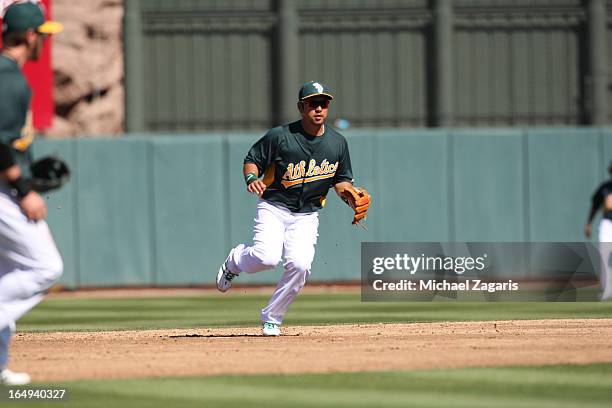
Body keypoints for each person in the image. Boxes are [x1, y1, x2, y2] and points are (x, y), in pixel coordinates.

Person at [216, 81, 367, 336]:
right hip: (274, 206)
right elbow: (252, 160)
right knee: (267, 257)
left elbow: (341, 181)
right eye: (312, 103)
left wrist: (349, 196)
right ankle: (235, 261)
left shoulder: (337, 143)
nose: (318, 108)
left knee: (300, 265)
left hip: (307, 215)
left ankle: (272, 317)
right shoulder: (280, 136)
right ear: (301, 107)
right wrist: (252, 179)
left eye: (324, 103)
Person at [0, 1, 63, 385]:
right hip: (4, 192)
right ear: (28, 36)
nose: (42, 41)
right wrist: (24, 188)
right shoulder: (9, 77)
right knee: (45, 266)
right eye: (41, 34)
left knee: (7, 271)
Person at [584, 161, 612, 301]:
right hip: (608, 224)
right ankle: (607, 290)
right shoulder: (605, 188)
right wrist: (588, 223)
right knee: (604, 256)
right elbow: (596, 205)